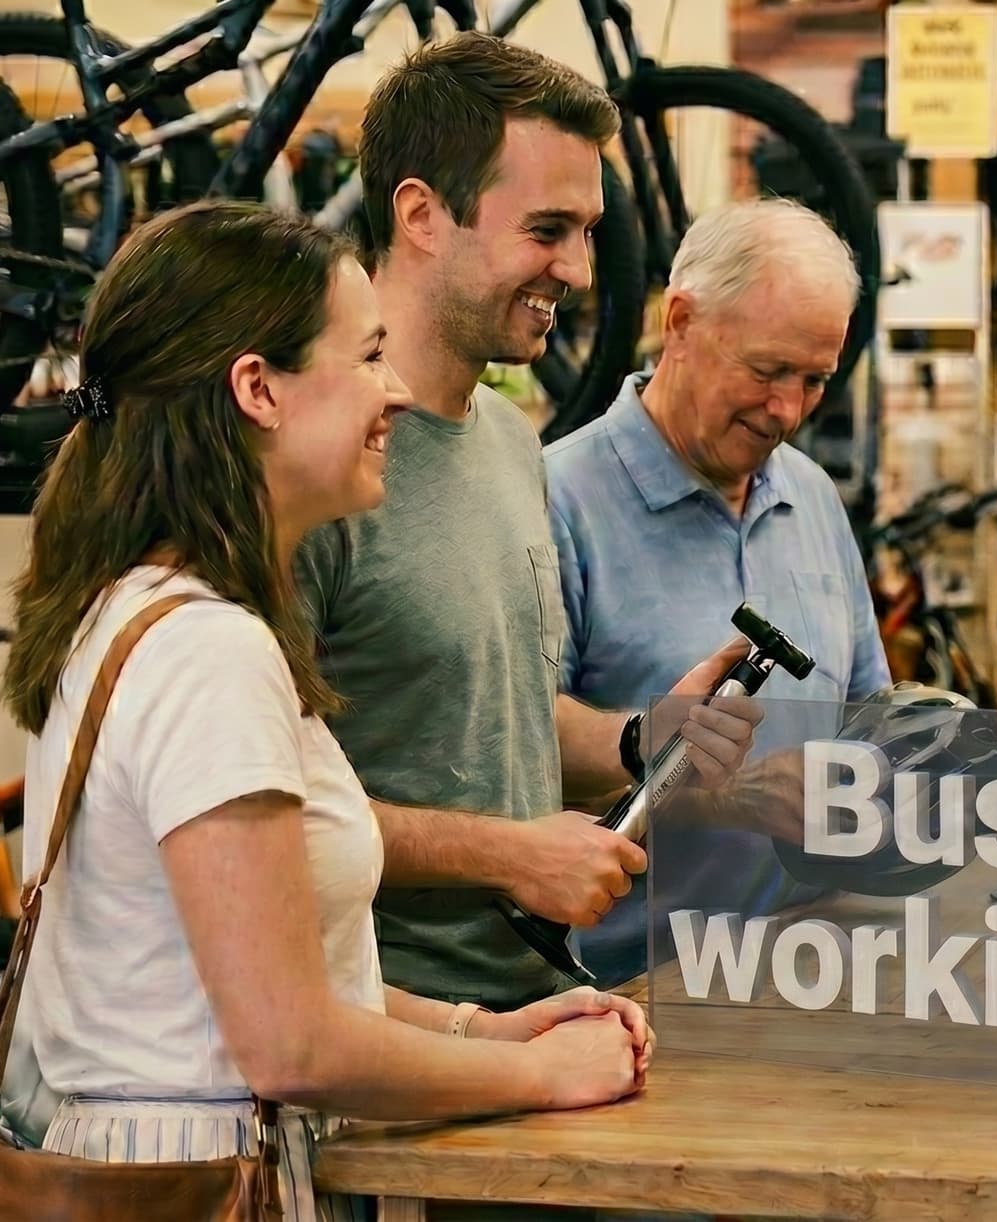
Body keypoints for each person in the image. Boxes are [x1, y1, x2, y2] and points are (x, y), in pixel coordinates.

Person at [0, 201, 653, 1222]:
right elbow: (288, 1042)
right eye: (367, 357)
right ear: (258, 389)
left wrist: (480, 1031)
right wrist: (544, 1074)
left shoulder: (140, 611)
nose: (395, 392)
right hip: (215, 1183)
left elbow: (259, 974)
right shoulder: (208, 654)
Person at [296, 33, 759, 1014]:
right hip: (390, 1028)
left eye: (588, 231)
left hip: (532, 1003)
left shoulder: (511, 440)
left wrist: (642, 739)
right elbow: (270, 811)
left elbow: (486, 707)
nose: (581, 271)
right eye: (548, 230)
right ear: (421, 214)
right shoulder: (310, 465)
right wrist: (509, 853)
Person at [544, 198, 891, 983]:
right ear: (680, 323)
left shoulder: (812, 495)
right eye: (767, 372)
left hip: (805, 967)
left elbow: (869, 710)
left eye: (815, 380)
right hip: (628, 988)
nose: (788, 411)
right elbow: (512, 760)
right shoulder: (555, 501)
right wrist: (726, 796)